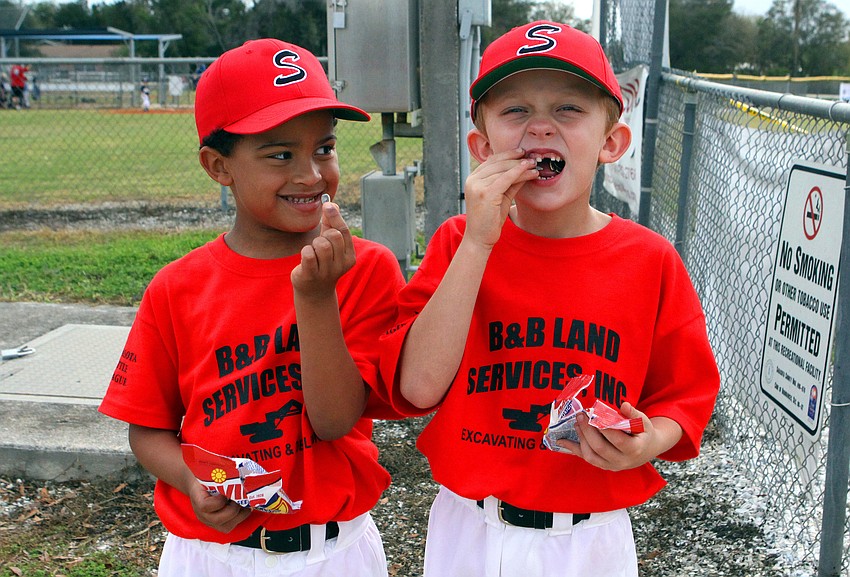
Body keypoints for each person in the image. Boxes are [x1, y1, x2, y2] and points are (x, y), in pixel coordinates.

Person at [377, 21, 721, 577]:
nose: (540, 126)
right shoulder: (456, 244)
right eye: (515, 110)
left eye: (568, 109)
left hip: (591, 538)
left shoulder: (648, 259)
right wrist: (479, 242)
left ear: (611, 142)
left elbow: (685, 396)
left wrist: (647, 441)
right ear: (482, 147)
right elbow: (417, 386)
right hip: (471, 529)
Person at [99, 38, 405, 577]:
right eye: (280, 154)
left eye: (324, 148)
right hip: (213, 557)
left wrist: (315, 297)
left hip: (333, 551)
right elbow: (146, 428)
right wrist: (189, 478)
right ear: (219, 166)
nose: (311, 174)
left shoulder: (363, 268)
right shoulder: (178, 288)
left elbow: (334, 421)